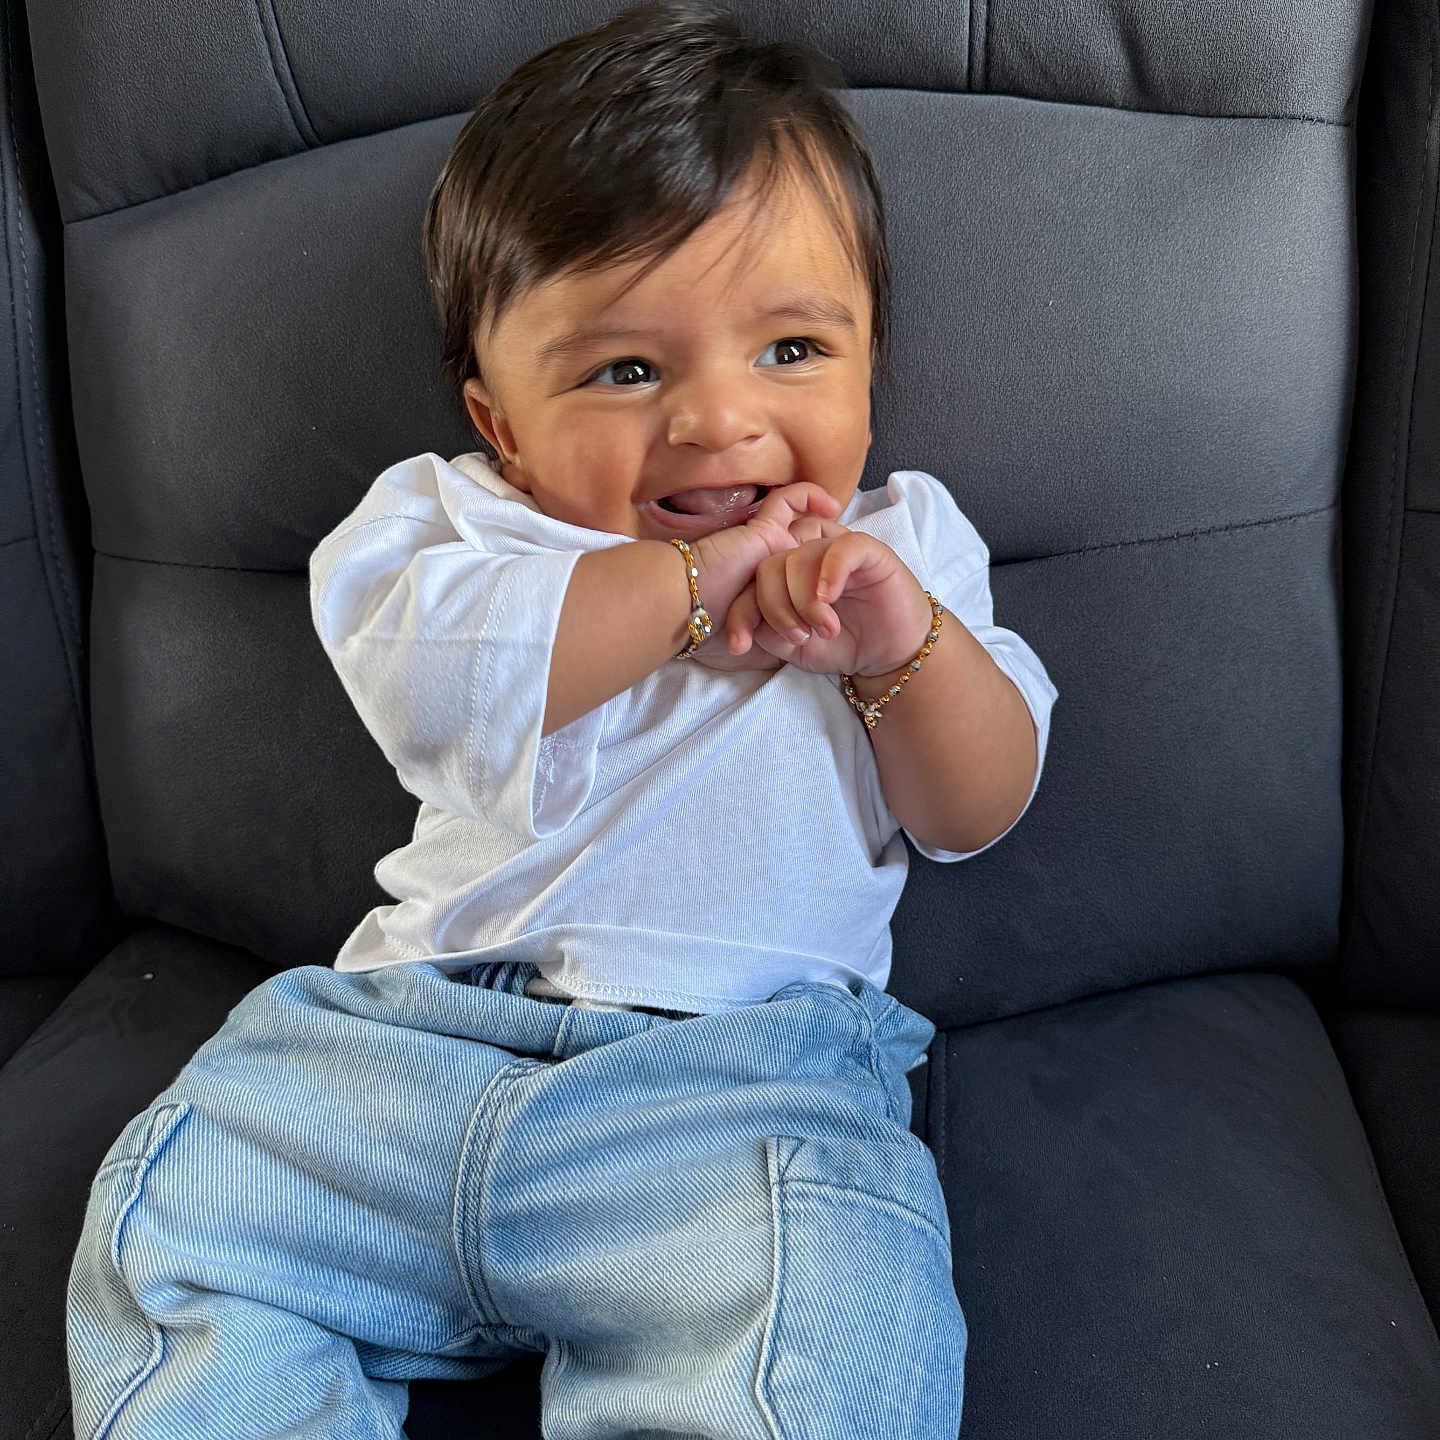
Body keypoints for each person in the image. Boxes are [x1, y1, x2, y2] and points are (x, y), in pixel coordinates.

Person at [66, 4, 1057, 1436]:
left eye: (791, 349)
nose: (719, 422)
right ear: (504, 425)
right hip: (398, 1048)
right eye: (626, 371)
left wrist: (903, 653)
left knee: (820, 1340)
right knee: (184, 1223)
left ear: (870, 362)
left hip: (731, 1098)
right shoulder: (448, 525)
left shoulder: (902, 551)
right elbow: (437, 689)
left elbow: (976, 809)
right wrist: (699, 586)